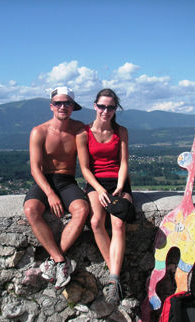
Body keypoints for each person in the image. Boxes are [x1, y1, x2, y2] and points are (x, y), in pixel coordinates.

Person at [24, 87, 89, 289]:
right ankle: (61, 261)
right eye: (59, 103)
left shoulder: (79, 130)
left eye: (67, 103)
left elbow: (86, 164)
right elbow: (35, 168)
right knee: (31, 210)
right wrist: (50, 194)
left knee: (82, 209)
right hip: (44, 180)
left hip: (67, 181)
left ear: (73, 107)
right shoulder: (39, 131)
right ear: (51, 106)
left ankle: (54, 259)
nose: (63, 107)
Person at [76, 88, 133, 304]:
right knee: (96, 221)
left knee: (118, 224)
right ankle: (114, 274)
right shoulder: (83, 133)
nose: (106, 111)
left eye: (110, 107)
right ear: (95, 106)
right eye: (102, 106)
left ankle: (114, 278)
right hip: (95, 183)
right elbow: (84, 168)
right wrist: (99, 190)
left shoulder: (121, 131)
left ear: (115, 109)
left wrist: (120, 186)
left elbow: (124, 162)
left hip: (118, 182)